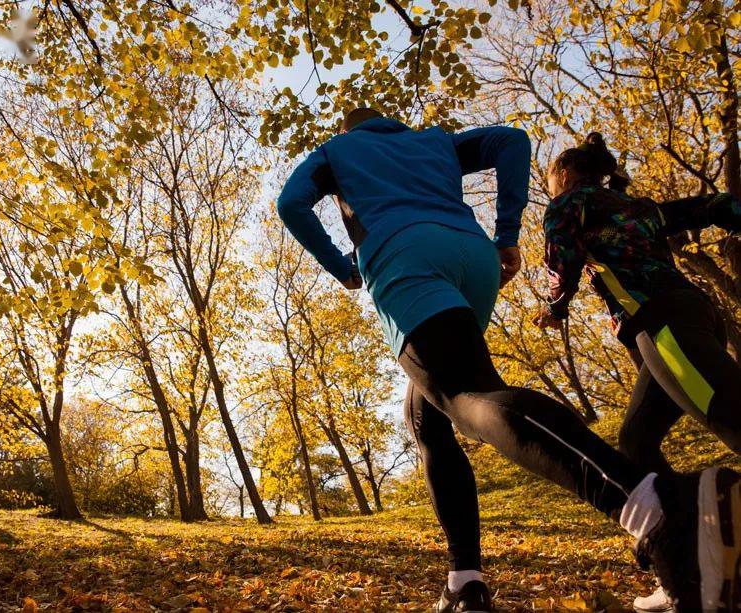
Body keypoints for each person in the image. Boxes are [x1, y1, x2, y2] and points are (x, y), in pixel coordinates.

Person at [275, 107, 741, 613]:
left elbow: (291, 203)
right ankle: (465, 580)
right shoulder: (435, 141)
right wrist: (506, 232)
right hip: (472, 259)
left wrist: (341, 267)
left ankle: (657, 509)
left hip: (405, 256)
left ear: (349, 129)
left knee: (465, 394)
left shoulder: (336, 152)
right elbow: (512, 142)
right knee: (427, 414)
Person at [536, 132, 741, 612]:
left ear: (564, 177)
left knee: (731, 415)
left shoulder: (569, 204)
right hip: (689, 316)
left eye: (550, 185)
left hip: (662, 324)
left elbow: (561, 261)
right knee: (636, 441)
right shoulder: (638, 206)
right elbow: (712, 206)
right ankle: (686, 556)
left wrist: (554, 307)